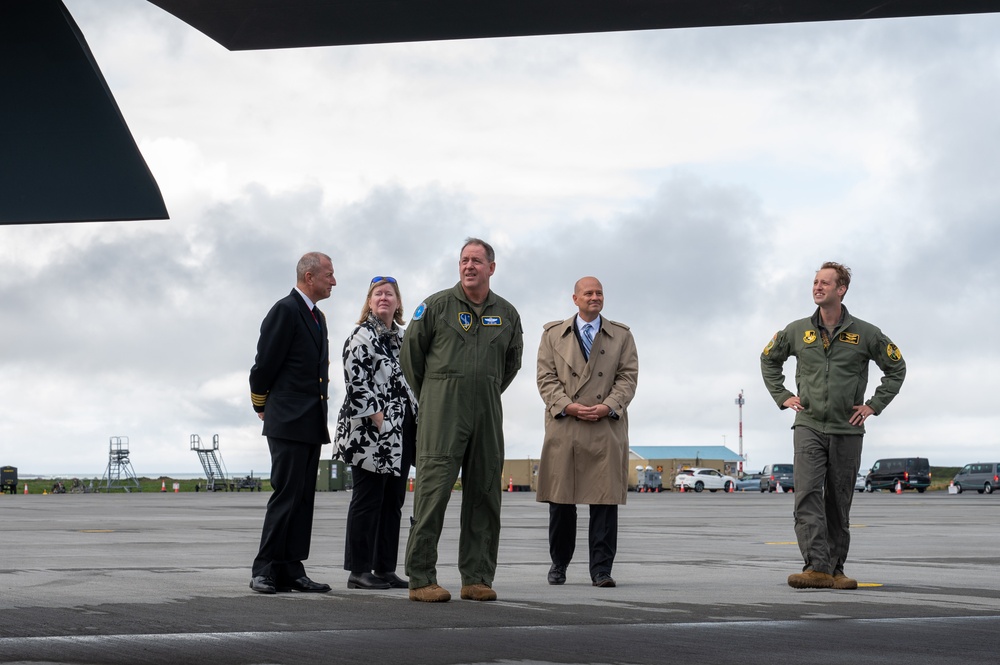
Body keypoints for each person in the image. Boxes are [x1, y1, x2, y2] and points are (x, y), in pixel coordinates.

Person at [760, 262, 906, 590]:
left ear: (841, 290)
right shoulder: (796, 331)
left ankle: (836, 570)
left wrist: (874, 405)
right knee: (807, 495)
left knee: (838, 501)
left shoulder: (867, 334)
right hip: (809, 425)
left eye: (825, 283)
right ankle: (816, 567)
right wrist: (783, 395)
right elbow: (769, 359)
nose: (817, 287)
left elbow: (896, 368)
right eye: (815, 282)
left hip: (847, 428)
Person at [400, 238, 523, 602]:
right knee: (432, 494)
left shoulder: (508, 313)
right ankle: (421, 579)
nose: (469, 266)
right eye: (464, 260)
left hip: (486, 410)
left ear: (491, 268)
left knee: (485, 494)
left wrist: (484, 389)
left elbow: (511, 364)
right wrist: (437, 394)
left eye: (477, 261)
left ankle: (477, 578)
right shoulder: (436, 306)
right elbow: (411, 357)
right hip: (442, 410)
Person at [535, 276, 639, 588]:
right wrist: (567, 405)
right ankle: (559, 565)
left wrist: (609, 405)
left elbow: (628, 376)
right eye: (588, 293)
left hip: (606, 426)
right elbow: (545, 376)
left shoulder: (621, 335)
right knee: (561, 502)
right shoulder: (553, 334)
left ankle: (601, 570)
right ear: (575, 298)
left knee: (605, 503)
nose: (595, 297)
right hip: (565, 425)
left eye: (599, 293)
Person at [247, 251, 337, 595]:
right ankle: (265, 567)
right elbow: (264, 365)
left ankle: (291, 567)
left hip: (310, 420)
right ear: (309, 276)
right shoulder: (285, 310)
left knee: (302, 498)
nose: (334, 281)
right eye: (328, 274)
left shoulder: (317, 317)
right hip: (286, 418)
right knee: (286, 494)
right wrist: (261, 403)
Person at [334, 276, 418, 591]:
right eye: (378, 294)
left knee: (393, 502)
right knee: (367, 500)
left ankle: (384, 567)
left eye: (389, 294)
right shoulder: (361, 336)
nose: (384, 298)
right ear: (370, 302)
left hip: (402, 432)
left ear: (398, 303)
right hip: (371, 432)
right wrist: (378, 417)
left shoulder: (403, 338)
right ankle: (358, 570)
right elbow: (356, 381)